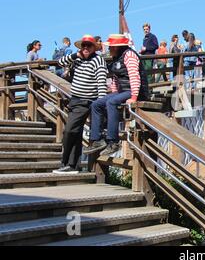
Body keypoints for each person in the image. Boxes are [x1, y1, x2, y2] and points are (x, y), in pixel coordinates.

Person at [84, 34, 149, 157]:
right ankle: (97, 139)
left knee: (111, 102)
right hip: (123, 91)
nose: (109, 49)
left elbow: (134, 76)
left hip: (135, 91)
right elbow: (116, 78)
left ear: (117, 47)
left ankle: (113, 141)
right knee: (96, 104)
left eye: (111, 47)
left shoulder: (129, 55)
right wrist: (114, 92)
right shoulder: (117, 57)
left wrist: (134, 97)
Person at [53, 35, 107, 174]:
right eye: (83, 46)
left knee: (71, 130)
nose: (85, 48)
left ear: (94, 47)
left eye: (88, 46)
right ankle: (71, 165)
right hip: (76, 100)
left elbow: (101, 82)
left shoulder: (98, 60)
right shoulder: (76, 58)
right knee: (73, 131)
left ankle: (69, 164)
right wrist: (75, 55)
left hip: (89, 100)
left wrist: (101, 101)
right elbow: (60, 62)